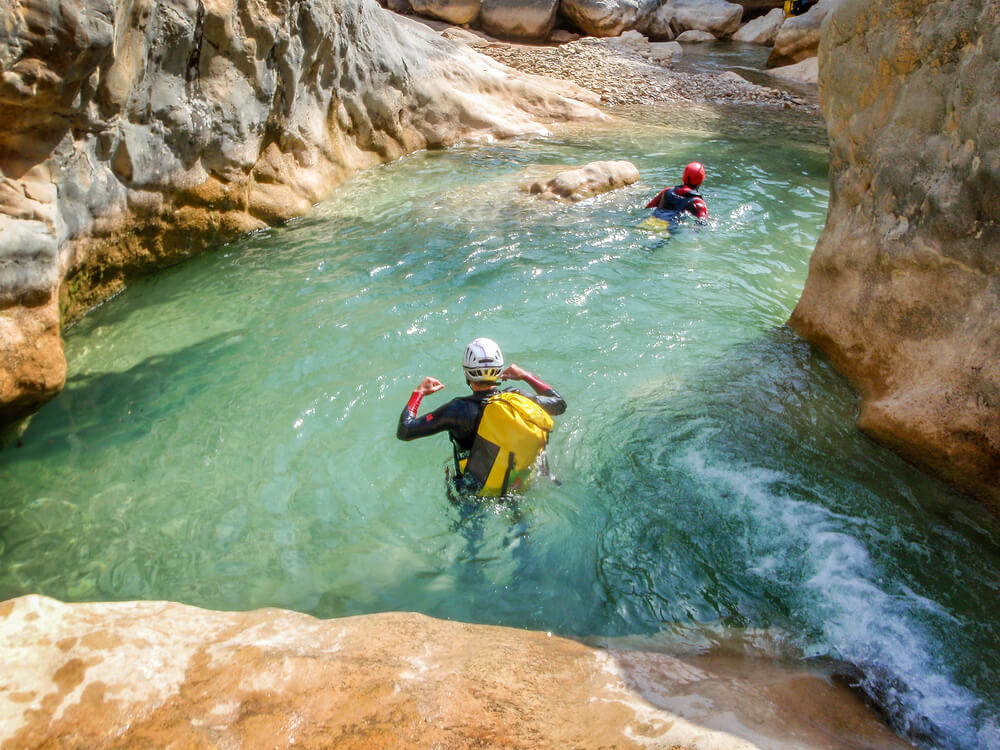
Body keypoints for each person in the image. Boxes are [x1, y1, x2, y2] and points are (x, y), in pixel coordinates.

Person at [397, 337, 566, 497]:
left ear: (466, 373)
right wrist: (526, 375)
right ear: (500, 370)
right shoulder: (517, 398)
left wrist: (418, 393)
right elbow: (559, 403)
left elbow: (405, 430)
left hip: (474, 489)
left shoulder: (458, 410)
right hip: (514, 481)